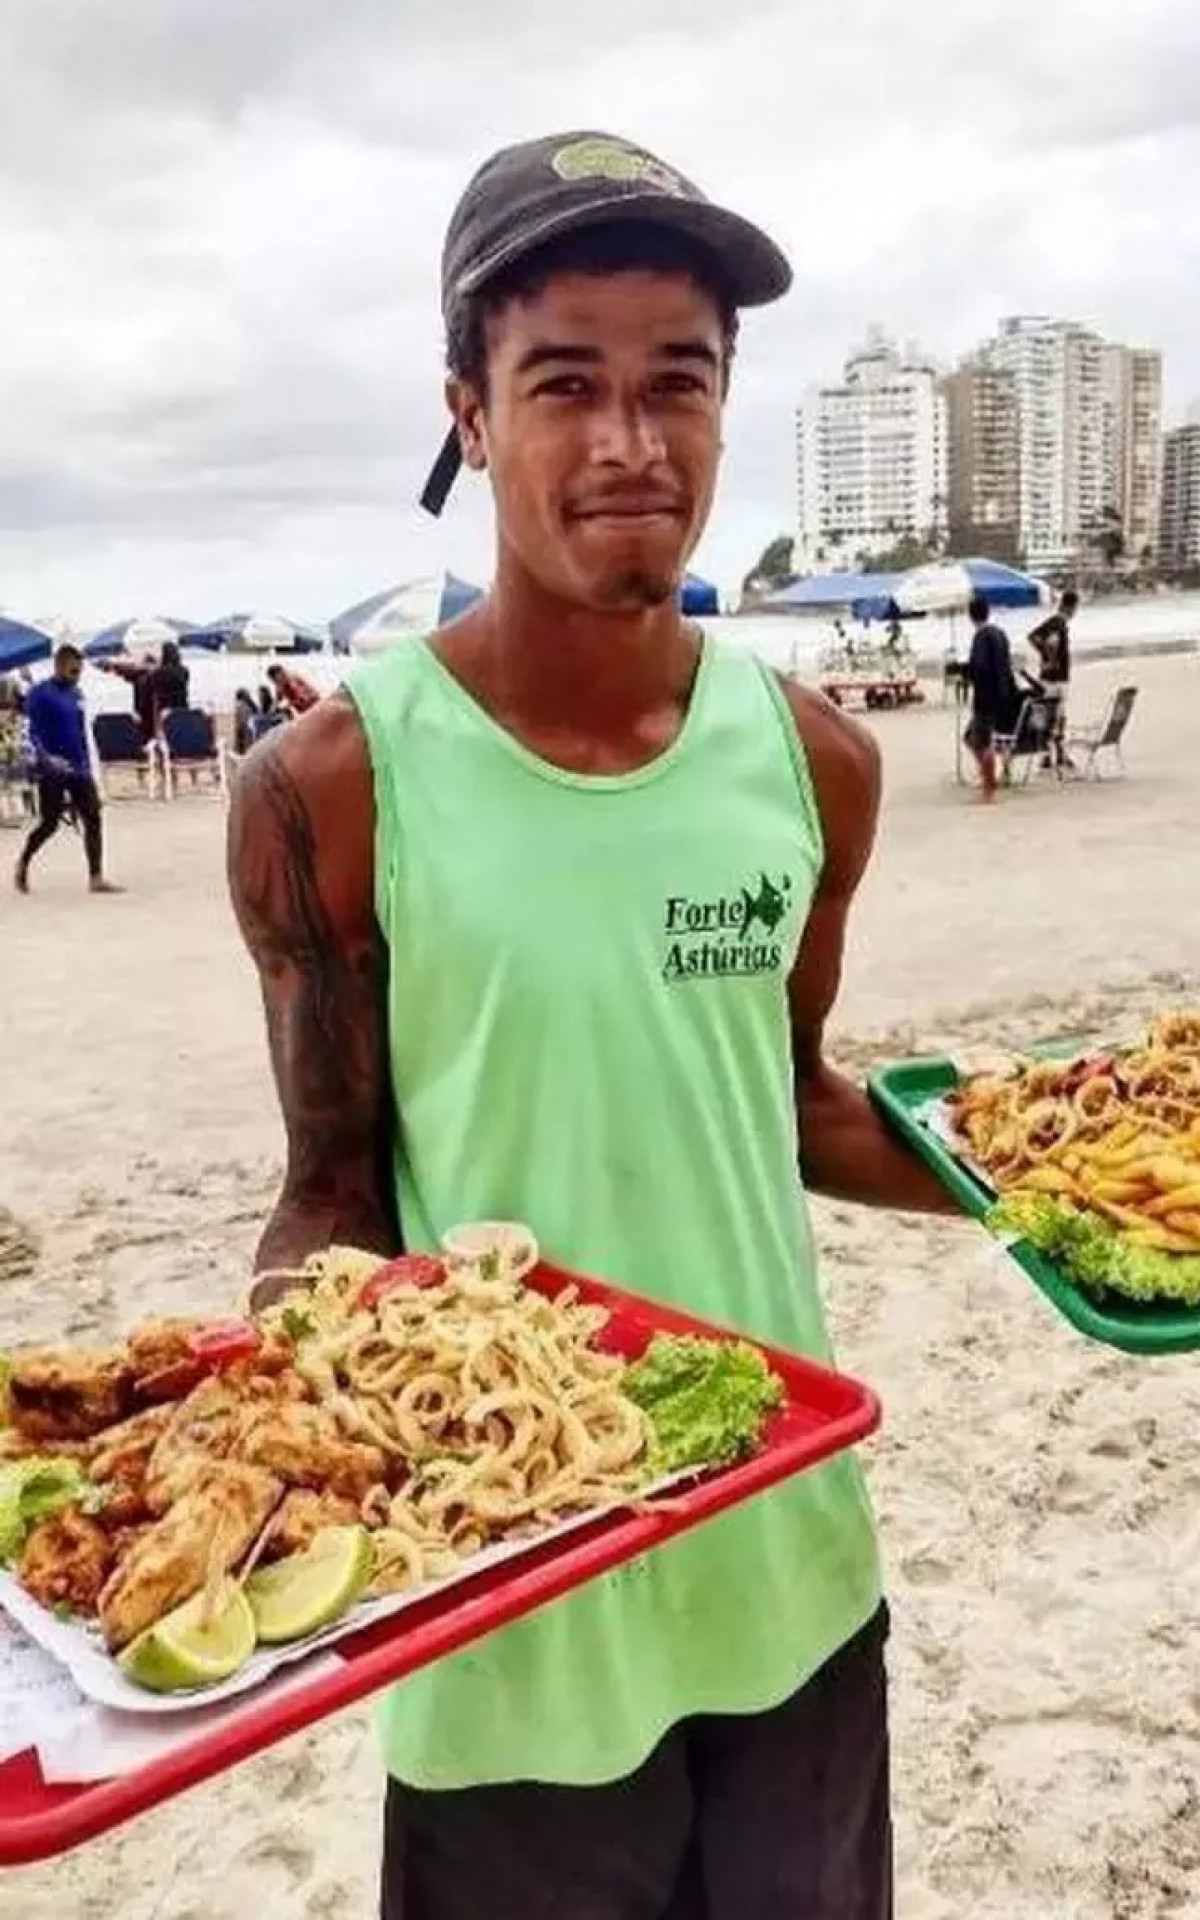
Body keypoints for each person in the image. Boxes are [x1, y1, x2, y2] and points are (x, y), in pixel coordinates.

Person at [228, 129, 959, 1920]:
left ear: (723, 405)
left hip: (786, 1573)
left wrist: (1050, 1196)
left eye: (676, 382)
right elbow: (330, 1192)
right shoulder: (330, 788)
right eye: (564, 383)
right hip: (504, 1626)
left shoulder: (819, 763)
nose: (631, 440)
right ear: (469, 415)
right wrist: (269, 1411)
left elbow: (788, 1104)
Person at [15, 644, 120, 893]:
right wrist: (45, 759)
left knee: (93, 817)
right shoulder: (40, 694)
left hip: (79, 768)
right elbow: (29, 731)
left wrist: (88, 767)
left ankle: (96, 877)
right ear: (59, 666)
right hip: (51, 769)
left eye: (79, 672)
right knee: (49, 824)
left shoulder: (76, 694)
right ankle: (24, 861)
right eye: (73, 671)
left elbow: (81, 733)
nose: (76, 676)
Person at [964, 591, 1022, 801]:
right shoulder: (1000, 634)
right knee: (974, 738)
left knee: (980, 741)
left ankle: (989, 787)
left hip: (986, 697)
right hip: (1004, 695)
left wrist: (969, 674)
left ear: (971, 615)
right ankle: (988, 777)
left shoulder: (981, 637)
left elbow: (979, 667)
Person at [98, 639, 191, 742]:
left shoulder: (163, 673)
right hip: (174, 718)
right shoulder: (182, 671)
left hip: (159, 721)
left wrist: (123, 665)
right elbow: (139, 674)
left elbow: (149, 675)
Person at [1026, 587, 1077, 771]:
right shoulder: (1058, 622)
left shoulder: (1057, 622)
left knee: (1051, 716)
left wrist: (1046, 655)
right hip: (1055, 679)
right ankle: (1055, 754)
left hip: (1052, 677)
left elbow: (1034, 637)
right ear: (1071, 607)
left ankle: (1050, 754)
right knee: (1057, 716)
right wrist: (1049, 657)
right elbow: (1036, 638)